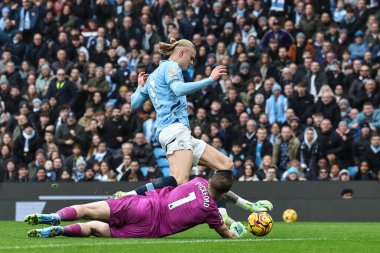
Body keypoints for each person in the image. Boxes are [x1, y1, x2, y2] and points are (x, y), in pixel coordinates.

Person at [119, 38, 272, 212]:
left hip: (179, 132)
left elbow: (134, 104)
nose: (191, 63)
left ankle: (246, 206)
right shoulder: (171, 67)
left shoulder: (154, 75)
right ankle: (131, 196)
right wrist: (210, 79)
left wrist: (140, 87)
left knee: (225, 165)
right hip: (174, 129)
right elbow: (178, 89)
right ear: (181, 53)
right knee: (181, 182)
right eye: (191, 58)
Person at [25, 171, 247, 239]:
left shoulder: (198, 181)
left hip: (144, 204)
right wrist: (240, 232)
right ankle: (60, 231)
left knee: (87, 209)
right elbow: (227, 234)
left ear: (210, 180)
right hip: (149, 228)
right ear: (224, 193)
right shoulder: (211, 212)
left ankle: (56, 217)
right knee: (94, 227)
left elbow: (206, 188)